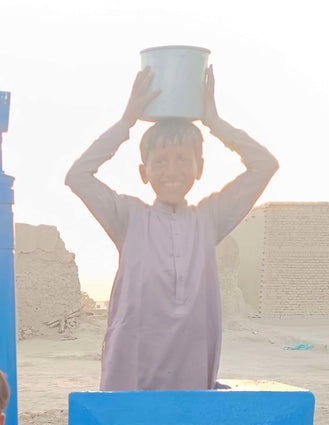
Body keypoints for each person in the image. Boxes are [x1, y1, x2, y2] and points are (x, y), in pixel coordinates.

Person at [65, 65, 278, 391]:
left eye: (182, 159)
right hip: (131, 376)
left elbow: (264, 164)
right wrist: (126, 123)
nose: (172, 170)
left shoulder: (210, 219)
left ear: (200, 168)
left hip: (189, 373)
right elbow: (78, 176)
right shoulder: (127, 217)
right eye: (160, 161)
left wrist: (215, 124)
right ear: (143, 172)